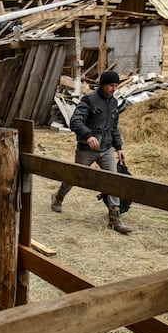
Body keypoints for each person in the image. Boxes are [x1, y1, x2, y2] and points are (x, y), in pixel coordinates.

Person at [51, 70, 132, 234]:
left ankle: (115, 219)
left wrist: (119, 147)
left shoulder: (114, 102)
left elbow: (114, 128)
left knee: (113, 180)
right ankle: (58, 196)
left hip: (106, 149)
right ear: (102, 85)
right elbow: (75, 121)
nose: (114, 89)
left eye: (116, 86)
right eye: (111, 85)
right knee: (74, 177)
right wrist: (88, 135)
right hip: (87, 149)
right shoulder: (88, 100)